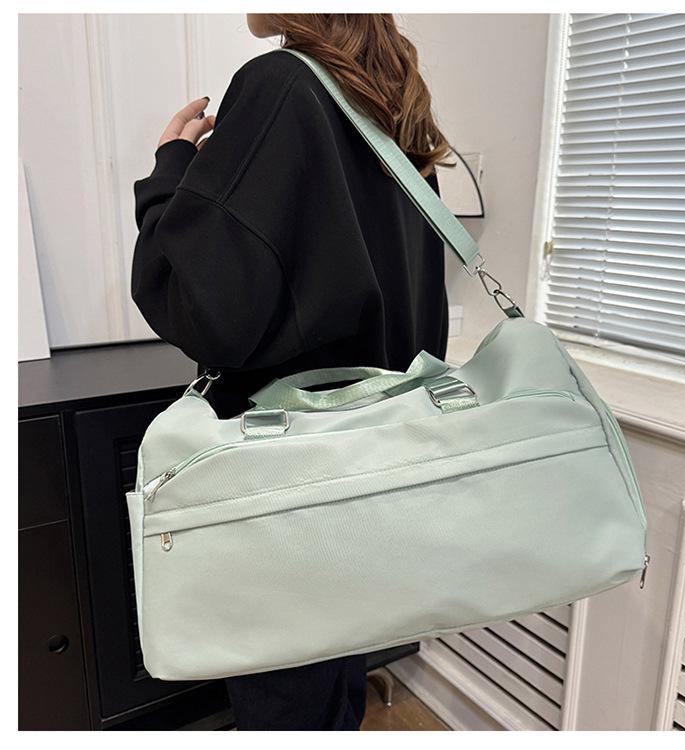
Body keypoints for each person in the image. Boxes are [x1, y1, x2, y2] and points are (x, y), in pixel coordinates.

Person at [131, 13, 452, 731]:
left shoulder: (280, 83)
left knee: (286, 702)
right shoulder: (391, 106)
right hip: (374, 466)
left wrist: (168, 173)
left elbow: (202, 308)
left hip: (286, 481)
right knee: (333, 681)